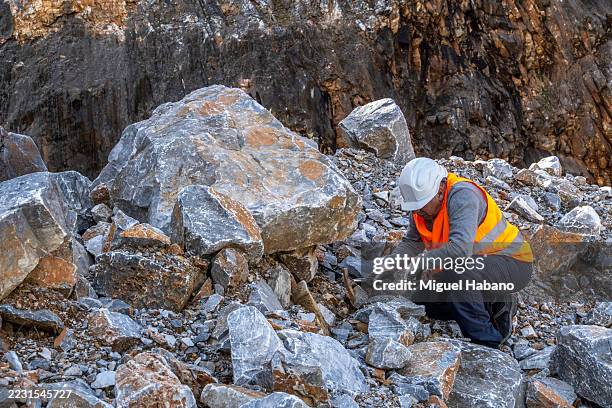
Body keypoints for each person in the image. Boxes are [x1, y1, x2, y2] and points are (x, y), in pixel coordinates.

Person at [388, 157, 533, 348]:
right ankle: (490, 303)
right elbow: (412, 243)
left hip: (512, 262)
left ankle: (488, 343)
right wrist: (389, 265)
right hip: (475, 266)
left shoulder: (463, 195)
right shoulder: (421, 207)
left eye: (421, 205)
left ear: (440, 191)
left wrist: (420, 263)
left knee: (459, 277)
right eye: (414, 207)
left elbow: (460, 249)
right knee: (423, 299)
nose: (417, 212)